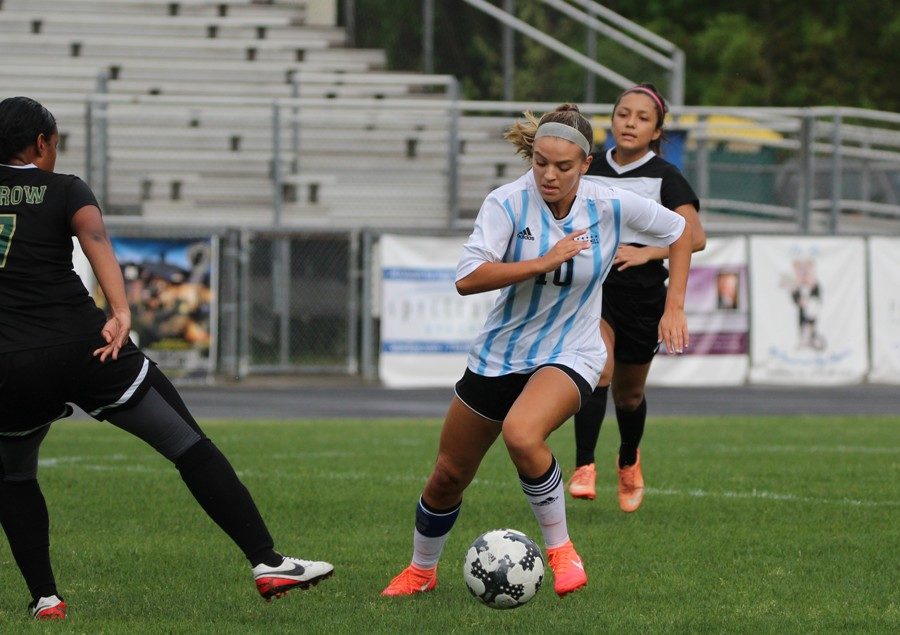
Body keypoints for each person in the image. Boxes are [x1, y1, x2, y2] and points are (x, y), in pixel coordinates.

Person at [0, 96, 333, 621]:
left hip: (9, 363)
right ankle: (267, 562)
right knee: (187, 444)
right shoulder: (65, 188)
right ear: (41, 143)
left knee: (15, 476)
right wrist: (121, 309)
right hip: (85, 348)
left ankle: (46, 599)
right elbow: (95, 238)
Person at [380, 103, 692, 599]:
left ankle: (561, 549)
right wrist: (540, 262)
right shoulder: (506, 203)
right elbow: (466, 279)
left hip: (573, 351)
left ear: (586, 165)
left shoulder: (610, 203)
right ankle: (421, 571)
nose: (548, 174)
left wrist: (673, 306)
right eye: (540, 162)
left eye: (563, 167)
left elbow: (682, 232)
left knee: (522, 434)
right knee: (447, 475)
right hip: (501, 353)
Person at [567, 83, 707, 511]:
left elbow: (694, 237)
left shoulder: (665, 176)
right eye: (623, 113)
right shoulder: (590, 170)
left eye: (642, 118)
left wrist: (648, 252)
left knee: (628, 395)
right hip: (598, 289)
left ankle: (628, 460)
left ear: (656, 131)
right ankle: (584, 465)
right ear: (612, 119)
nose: (630, 122)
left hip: (644, 296)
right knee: (598, 370)